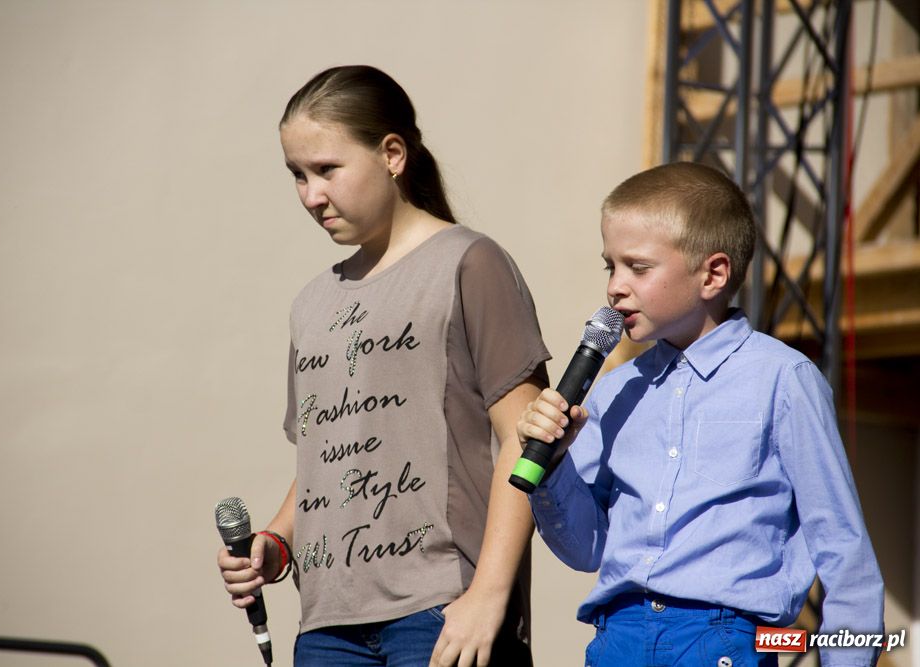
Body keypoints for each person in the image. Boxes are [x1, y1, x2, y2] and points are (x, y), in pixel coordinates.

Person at [218, 65, 550, 667]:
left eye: (326, 169)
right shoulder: (312, 302)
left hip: (441, 612)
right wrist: (275, 539)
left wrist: (488, 596)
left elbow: (528, 443)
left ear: (392, 154)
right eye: (297, 174)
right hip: (327, 625)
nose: (311, 195)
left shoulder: (470, 264)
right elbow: (331, 451)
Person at [516, 162, 884, 666]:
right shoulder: (614, 390)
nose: (615, 287)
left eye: (638, 268)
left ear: (712, 273)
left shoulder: (782, 379)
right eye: (611, 266)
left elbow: (843, 550)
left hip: (722, 639)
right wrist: (553, 466)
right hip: (617, 637)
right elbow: (586, 549)